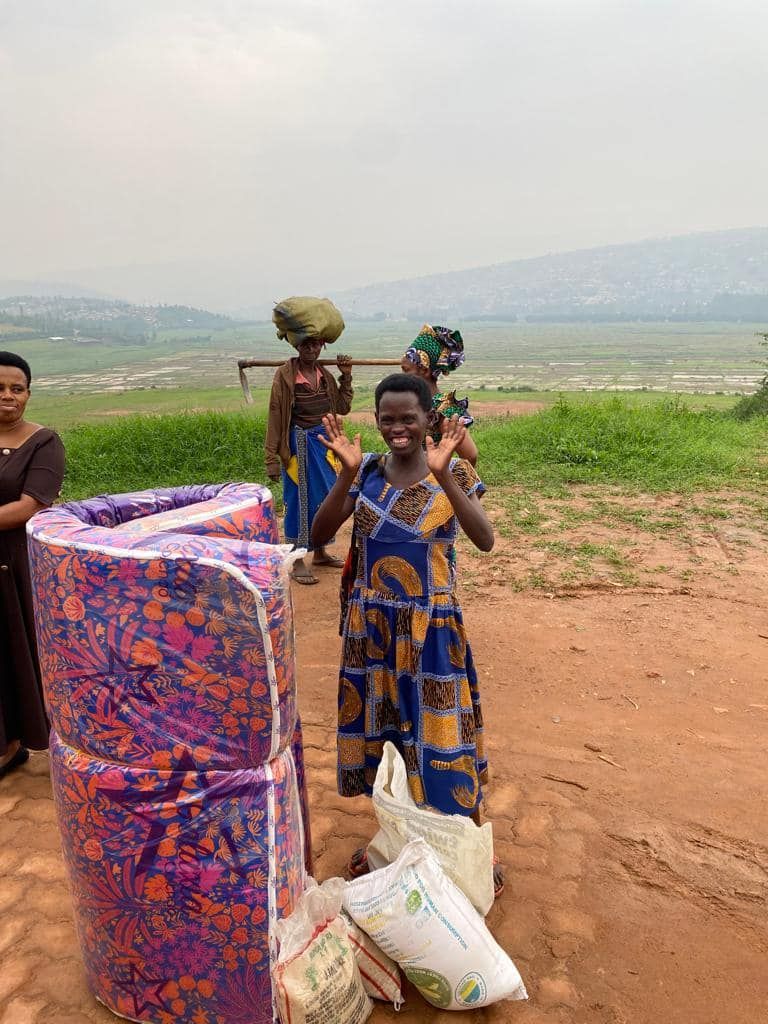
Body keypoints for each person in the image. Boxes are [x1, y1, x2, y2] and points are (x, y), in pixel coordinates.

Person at [311, 373, 503, 896]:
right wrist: (343, 476)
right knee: (387, 738)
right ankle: (398, 846)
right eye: (387, 419)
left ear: (426, 422)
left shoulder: (453, 471)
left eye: (408, 419)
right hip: (371, 630)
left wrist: (445, 480)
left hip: (431, 630)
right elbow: (318, 535)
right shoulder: (364, 473)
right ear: (376, 422)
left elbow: (484, 539)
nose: (398, 428)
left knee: (442, 739)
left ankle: (464, 851)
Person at [0, 351, 65, 779]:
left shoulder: (43, 442)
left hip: (10, 565)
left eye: (16, 389)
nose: (7, 396)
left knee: (9, 650)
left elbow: (29, 506)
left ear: (28, 394)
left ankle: (10, 744)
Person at [264, 331, 354, 585]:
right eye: (305, 344)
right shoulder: (285, 375)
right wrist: (271, 458)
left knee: (325, 497)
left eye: (315, 344)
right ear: (297, 345)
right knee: (299, 501)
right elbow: (275, 417)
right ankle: (297, 559)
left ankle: (321, 551)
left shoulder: (324, 376)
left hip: (323, 445)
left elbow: (343, 407)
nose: (311, 349)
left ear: (322, 346)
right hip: (298, 446)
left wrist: (345, 375)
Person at [400, 323, 478, 465]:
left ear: (424, 370)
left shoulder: (443, 409)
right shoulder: (417, 402)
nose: (402, 376)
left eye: (406, 370)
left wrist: (446, 481)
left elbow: (470, 456)